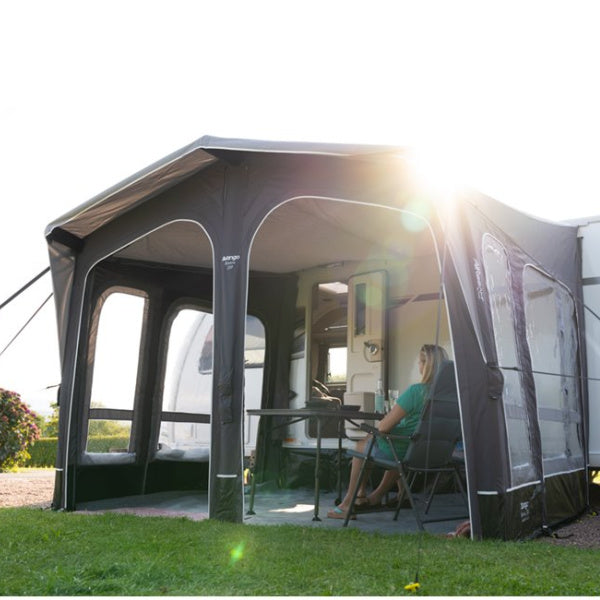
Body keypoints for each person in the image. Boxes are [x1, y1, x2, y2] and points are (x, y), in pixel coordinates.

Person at [327, 343, 449, 519]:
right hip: (434, 454)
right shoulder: (450, 396)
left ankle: (347, 504)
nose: (419, 366)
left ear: (427, 366)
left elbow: (384, 427)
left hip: (406, 451)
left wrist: (378, 427)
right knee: (384, 443)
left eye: (420, 363)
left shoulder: (417, 392)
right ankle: (385, 495)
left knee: (361, 446)